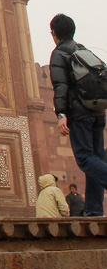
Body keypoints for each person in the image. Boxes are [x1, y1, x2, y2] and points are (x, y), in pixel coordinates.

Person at [49, 13, 107, 217]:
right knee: (96, 158)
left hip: (80, 114)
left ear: (54, 33)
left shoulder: (59, 54)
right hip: (99, 112)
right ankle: (93, 209)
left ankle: (94, 208)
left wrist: (61, 113)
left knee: (84, 158)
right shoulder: (83, 49)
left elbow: (61, 86)